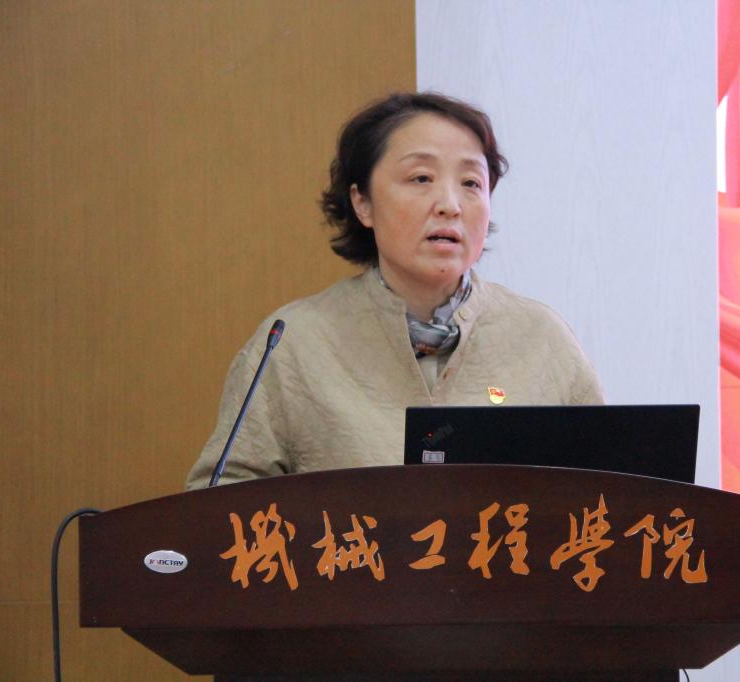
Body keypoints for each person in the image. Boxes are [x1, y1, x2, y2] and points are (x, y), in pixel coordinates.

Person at [185, 92, 602, 490]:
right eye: (421, 178)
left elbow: (612, 492)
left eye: (471, 183)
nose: (450, 204)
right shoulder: (294, 343)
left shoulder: (541, 338)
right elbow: (218, 503)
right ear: (362, 203)